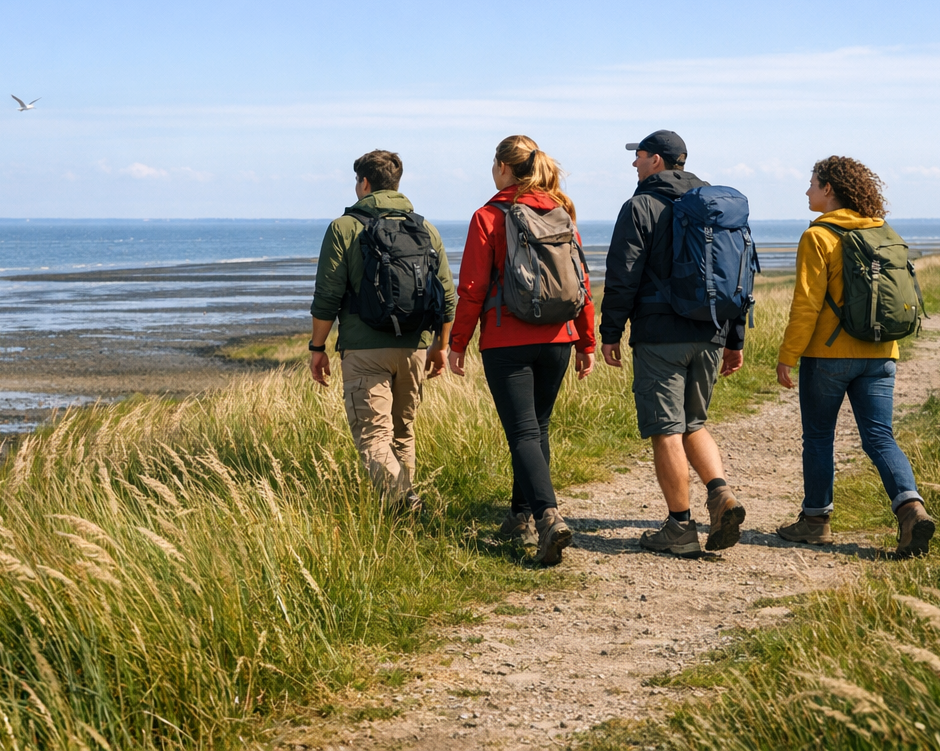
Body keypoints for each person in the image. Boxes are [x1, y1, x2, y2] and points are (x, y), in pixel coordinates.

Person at [774, 156, 935, 557]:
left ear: (829, 189)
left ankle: (815, 522)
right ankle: (911, 510)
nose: (808, 190)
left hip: (828, 356)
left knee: (818, 437)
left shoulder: (818, 236)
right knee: (880, 436)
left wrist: (788, 355)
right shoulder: (881, 230)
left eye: (813, 183)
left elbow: (807, 305)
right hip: (882, 352)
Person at [448, 136, 596, 565]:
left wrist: (457, 343)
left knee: (523, 433)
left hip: (507, 340)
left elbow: (472, 288)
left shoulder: (488, 216)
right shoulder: (560, 210)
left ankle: (548, 517)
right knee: (537, 428)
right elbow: (581, 282)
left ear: (503, 167)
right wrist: (585, 340)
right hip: (558, 338)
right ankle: (520, 516)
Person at [599, 129, 748, 557]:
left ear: (658, 161)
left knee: (666, 429)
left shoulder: (640, 206)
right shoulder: (714, 206)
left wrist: (611, 333)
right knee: (693, 423)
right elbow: (739, 274)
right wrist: (734, 337)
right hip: (711, 332)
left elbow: (623, 274)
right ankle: (720, 494)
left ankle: (680, 527)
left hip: (660, 335)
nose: (635, 163)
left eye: (640, 155)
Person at [309, 149, 456, 511]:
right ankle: (405, 514)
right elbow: (448, 297)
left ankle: (402, 499)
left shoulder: (344, 228)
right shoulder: (425, 228)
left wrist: (317, 348)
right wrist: (440, 346)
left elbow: (327, 296)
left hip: (364, 350)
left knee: (373, 437)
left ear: (364, 183)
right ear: (396, 184)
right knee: (402, 433)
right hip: (414, 346)